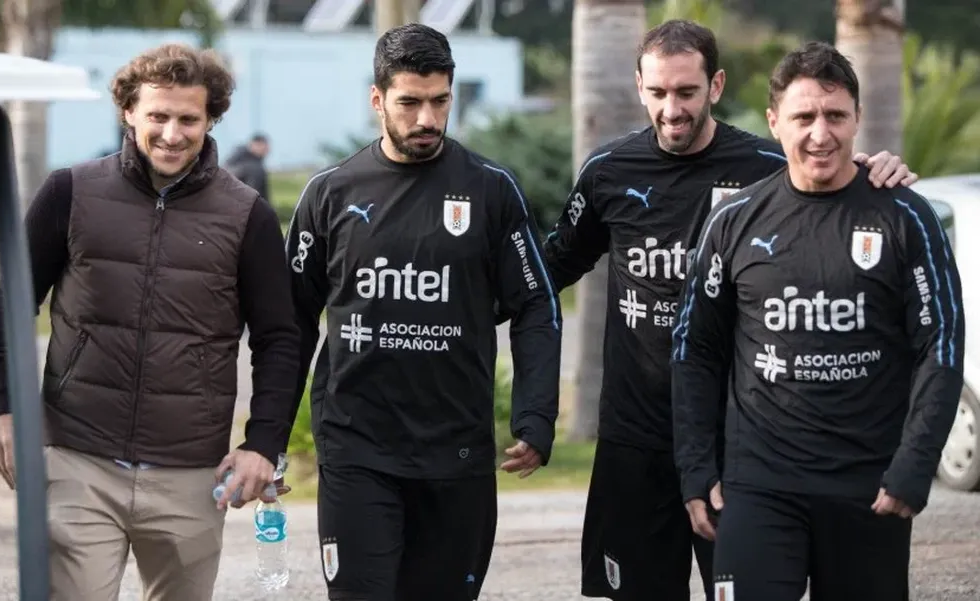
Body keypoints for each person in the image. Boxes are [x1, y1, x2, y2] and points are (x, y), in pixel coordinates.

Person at [542, 19, 918, 601]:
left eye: (687, 92)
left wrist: (872, 170)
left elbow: (828, 174)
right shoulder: (607, 172)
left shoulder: (767, 167)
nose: (672, 109)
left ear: (715, 86)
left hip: (734, 447)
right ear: (639, 87)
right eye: (659, 93)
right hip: (634, 439)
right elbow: (546, 275)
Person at [0, 43, 300, 600]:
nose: (172, 134)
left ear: (211, 119)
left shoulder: (246, 213)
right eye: (158, 115)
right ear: (128, 110)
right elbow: (12, 301)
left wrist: (262, 444)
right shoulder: (70, 191)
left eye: (188, 119)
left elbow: (279, 339)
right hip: (79, 458)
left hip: (191, 473)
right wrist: (5, 406)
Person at [671, 41, 964, 600]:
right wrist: (694, 467)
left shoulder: (905, 216)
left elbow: (941, 346)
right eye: (804, 117)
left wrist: (914, 466)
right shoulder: (732, 221)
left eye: (835, 116)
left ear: (858, 119)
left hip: (868, 490)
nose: (820, 134)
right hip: (756, 488)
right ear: (774, 121)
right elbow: (695, 352)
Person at [285, 23, 562, 601]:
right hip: (356, 447)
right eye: (410, 102)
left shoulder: (490, 191)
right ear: (377, 99)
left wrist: (535, 417)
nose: (427, 119)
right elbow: (289, 324)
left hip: (455, 455)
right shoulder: (330, 193)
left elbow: (536, 304)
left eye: (440, 102)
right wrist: (268, 437)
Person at [225, 132, 271, 200]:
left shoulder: (233, 161)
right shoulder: (255, 167)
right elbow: (255, 196)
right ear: (255, 145)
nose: (267, 150)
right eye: (264, 147)